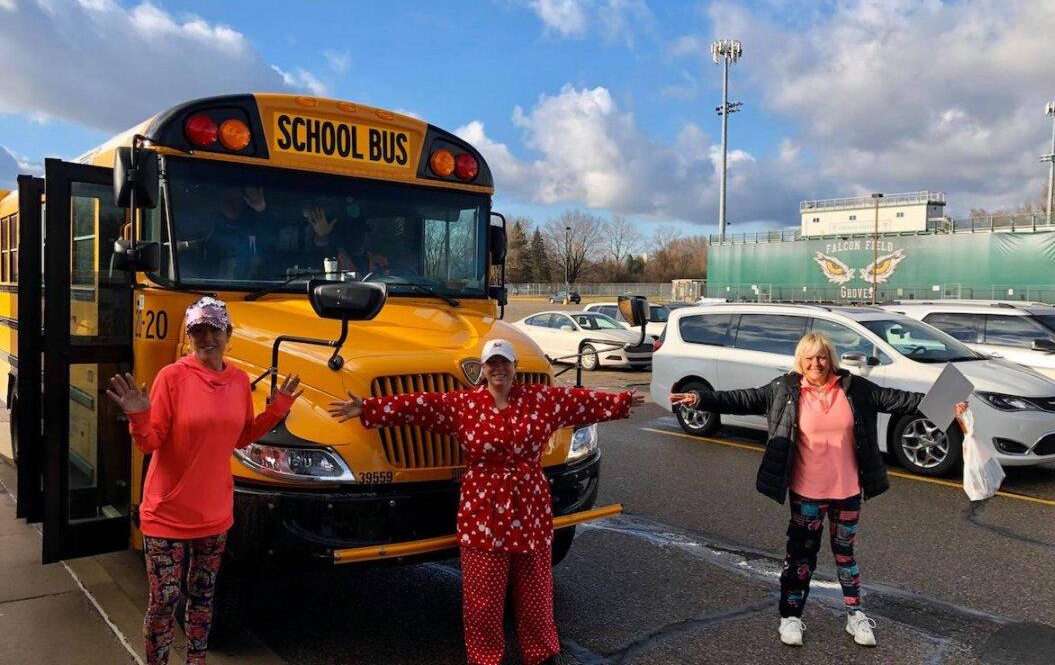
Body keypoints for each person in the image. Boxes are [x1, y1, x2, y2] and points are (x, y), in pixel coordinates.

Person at [329, 338, 644, 665]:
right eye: (492, 363)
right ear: (483, 369)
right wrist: (368, 409)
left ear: (515, 367)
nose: (499, 369)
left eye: (504, 362)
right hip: (483, 510)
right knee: (484, 597)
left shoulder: (540, 399)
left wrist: (621, 402)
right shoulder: (464, 404)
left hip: (530, 507)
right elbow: (419, 407)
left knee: (536, 588)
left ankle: (541, 654)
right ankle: (485, 658)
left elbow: (580, 402)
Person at [670, 331, 968, 649]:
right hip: (806, 493)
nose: (816, 363)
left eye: (822, 357)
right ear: (801, 360)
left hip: (847, 491)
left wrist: (949, 404)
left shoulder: (856, 389)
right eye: (809, 358)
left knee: (845, 555)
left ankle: (855, 614)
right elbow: (741, 399)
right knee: (800, 557)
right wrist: (700, 398)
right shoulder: (784, 390)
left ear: (831, 359)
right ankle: (790, 617)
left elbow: (901, 400)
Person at [106, 297, 303, 665]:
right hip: (166, 512)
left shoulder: (239, 380)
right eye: (198, 330)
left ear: (228, 334)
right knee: (165, 599)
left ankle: (196, 660)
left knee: (202, 596)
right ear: (189, 336)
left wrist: (277, 409)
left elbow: (241, 437)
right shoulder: (172, 377)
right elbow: (150, 443)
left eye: (215, 329)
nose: (207, 337)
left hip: (214, 514)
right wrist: (139, 416)